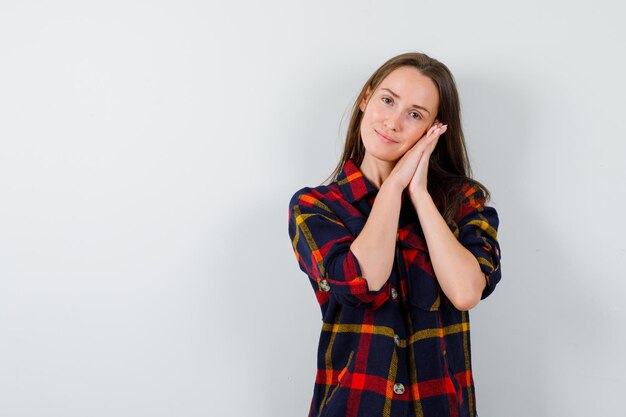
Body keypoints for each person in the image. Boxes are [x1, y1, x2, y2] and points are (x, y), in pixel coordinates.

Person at [287, 51, 502, 417]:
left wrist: (418, 193)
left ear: (435, 129)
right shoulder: (315, 206)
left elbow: (467, 293)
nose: (393, 122)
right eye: (387, 100)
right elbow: (363, 282)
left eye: (415, 114)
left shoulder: (464, 201)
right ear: (365, 99)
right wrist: (393, 186)